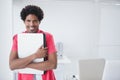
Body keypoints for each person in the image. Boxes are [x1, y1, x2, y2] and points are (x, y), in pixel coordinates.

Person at [9, 5, 57, 80]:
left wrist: (23, 64)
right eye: (28, 21)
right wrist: (35, 55)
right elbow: (12, 65)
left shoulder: (48, 37)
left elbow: (52, 64)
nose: (31, 24)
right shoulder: (17, 38)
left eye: (35, 21)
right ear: (24, 21)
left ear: (39, 22)